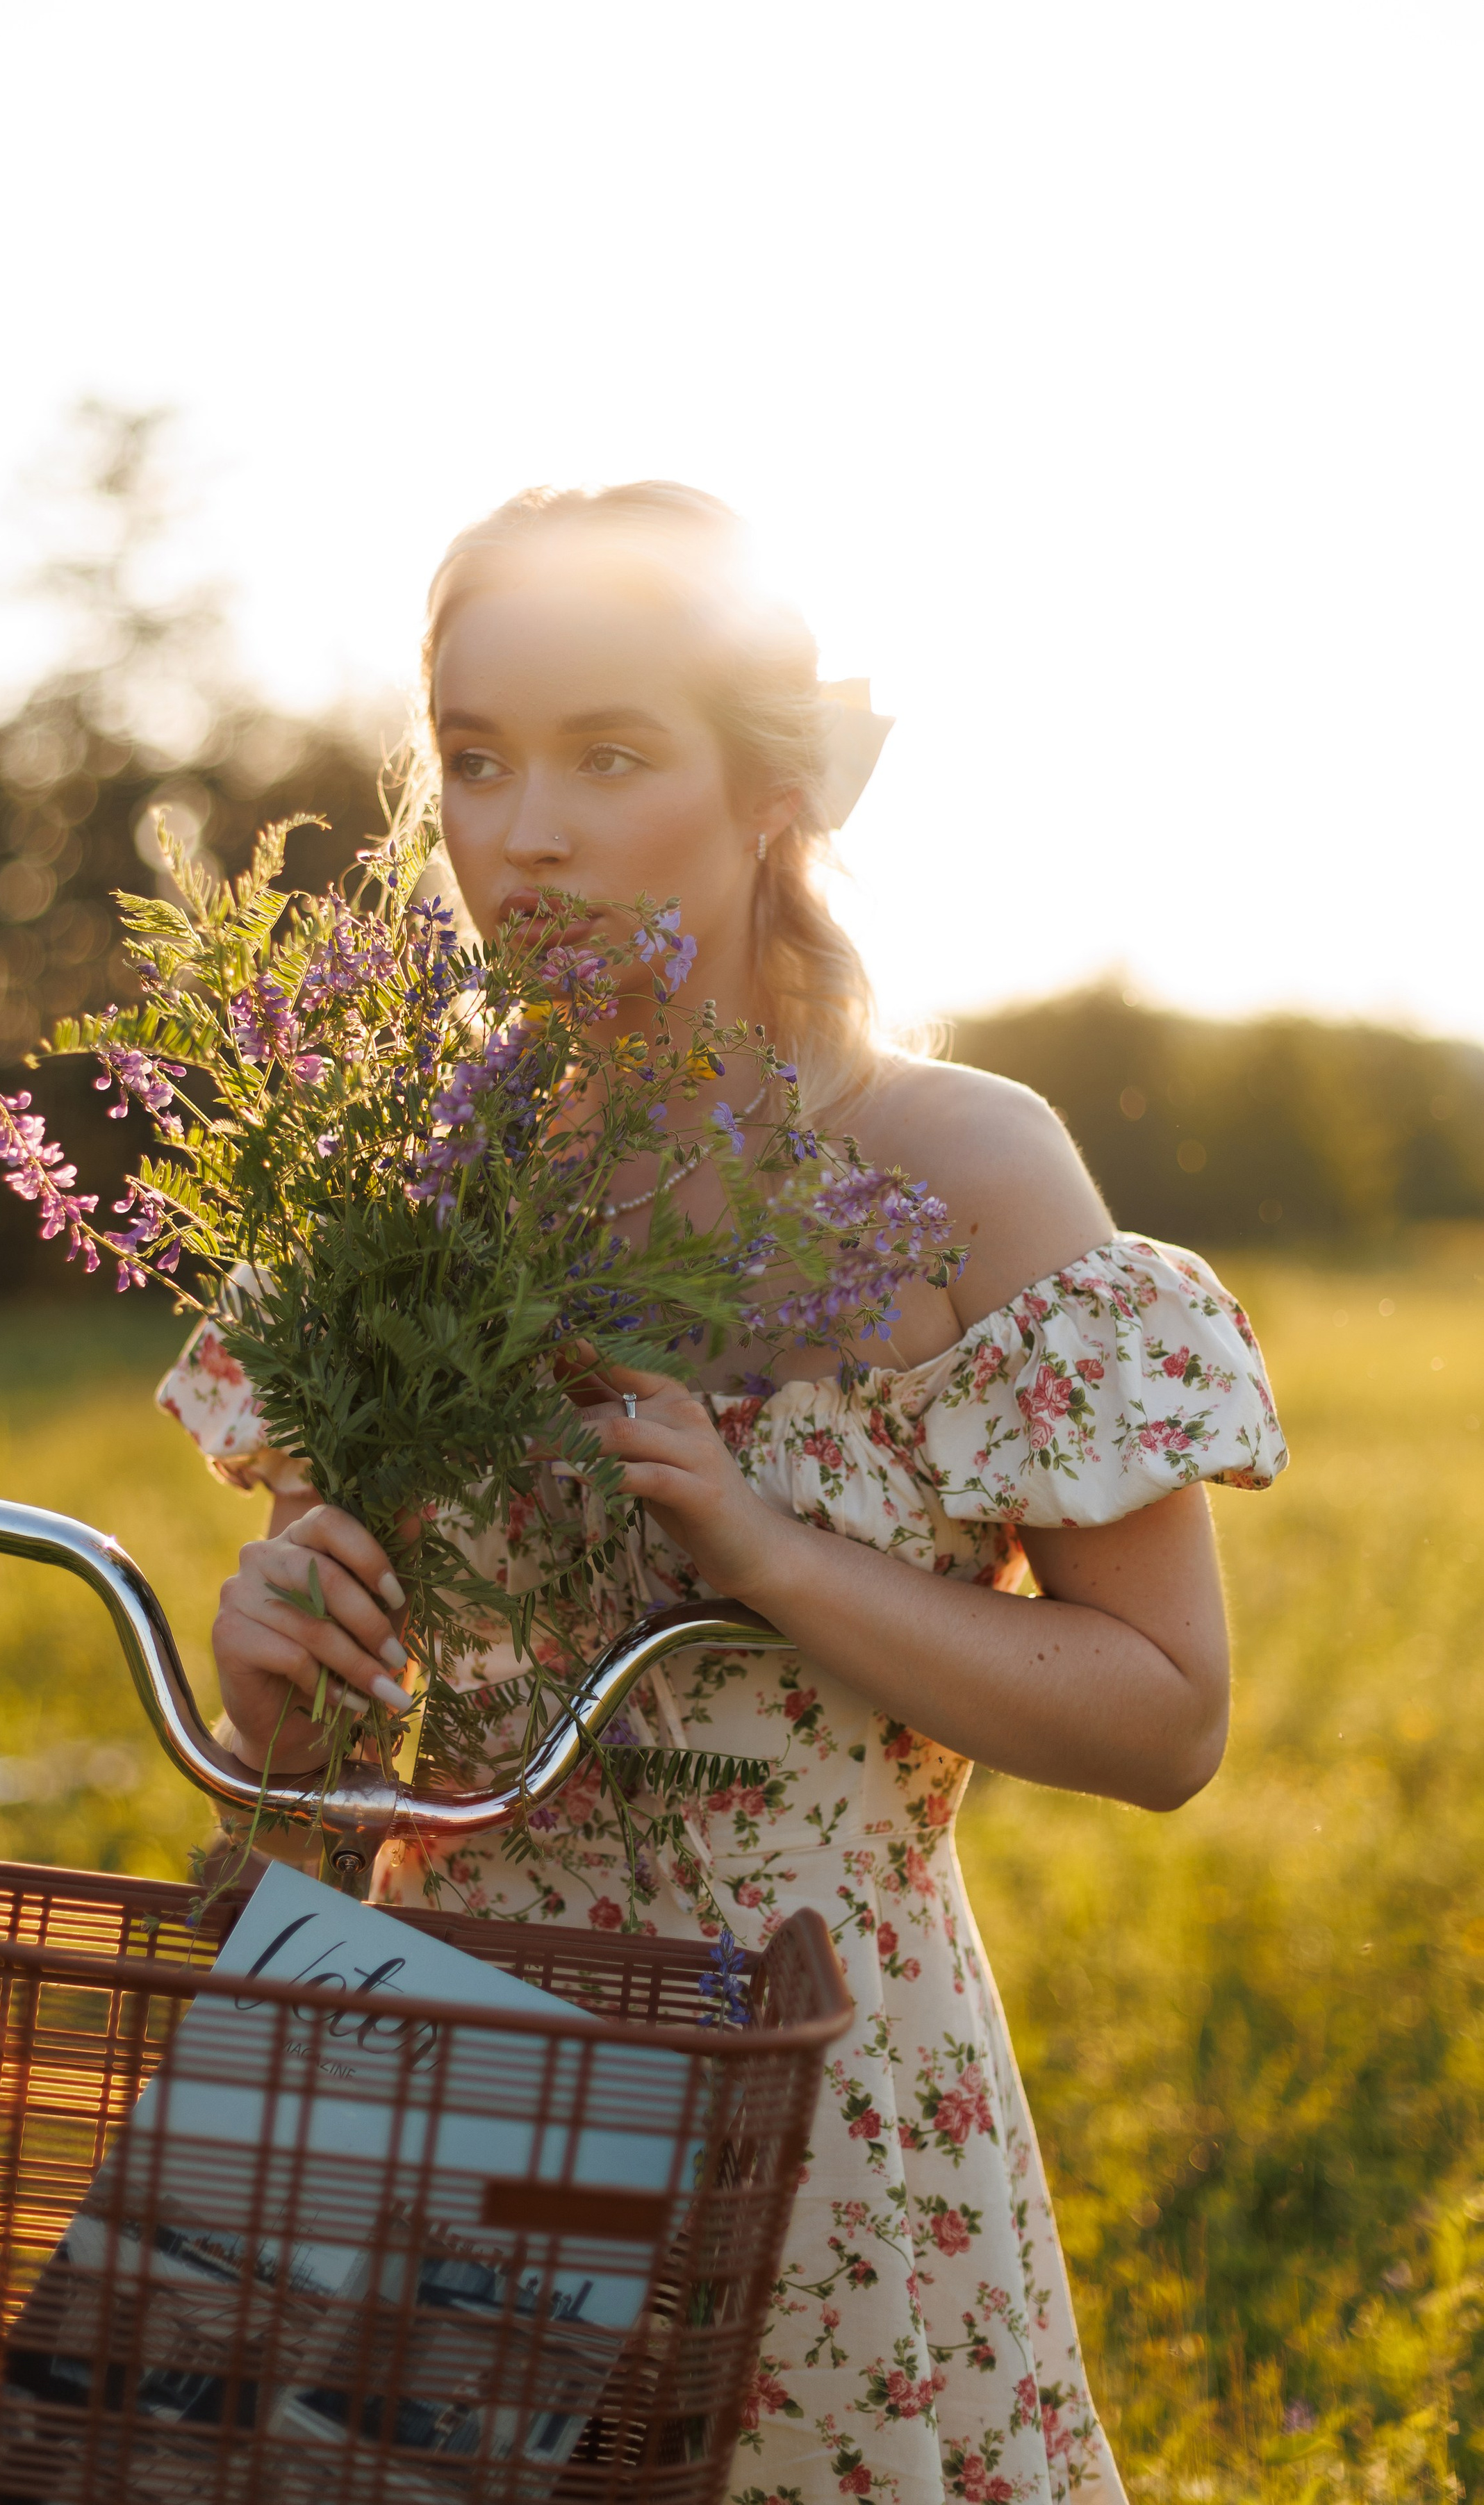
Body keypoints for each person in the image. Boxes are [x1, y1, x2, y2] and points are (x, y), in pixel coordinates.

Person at [158, 482, 1287, 2505]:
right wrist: (270, 1678)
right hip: (451, 2077)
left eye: (610, 756)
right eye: (480, 763)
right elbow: (332, 1759)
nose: (529, 831)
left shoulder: (967, 1171)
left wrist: (768, 1551)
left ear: (771, 796)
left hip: (825, 2102)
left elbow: (1167, 1715)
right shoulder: (390, 1192)